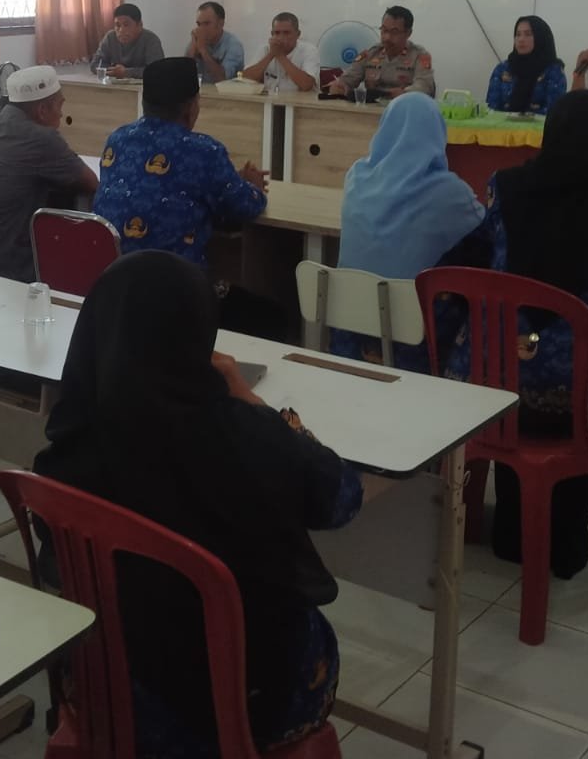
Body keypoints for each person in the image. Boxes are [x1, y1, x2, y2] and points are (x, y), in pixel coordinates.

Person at [33, 252, 361, 756]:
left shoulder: (73, 438)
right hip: (248, 697)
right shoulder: (249, 436)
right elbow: (342, 499)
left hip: (104, 685)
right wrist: (252, 401)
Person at [461, 90, 588, 578]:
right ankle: (565, 544)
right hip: (581, 397)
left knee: (522, 378)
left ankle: (512, 536)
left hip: (494, 385)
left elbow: (487, 247)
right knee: (584, 378)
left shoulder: (506, 185)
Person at [332, 94, 487, 369]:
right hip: (414, 338)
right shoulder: (450, 193)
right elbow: (482, 228)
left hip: (349, 326)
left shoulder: (356, 175)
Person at [94, 57, 268, 266]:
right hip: (174, 280)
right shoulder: (204, 150)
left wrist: (232, 178)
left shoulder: (117, 139)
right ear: (191, 107)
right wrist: (254, 187)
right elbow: (243, 207)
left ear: (145, 103)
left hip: (112, 277)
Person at [0, 66, 97, 281]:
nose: (62, 114)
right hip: (6, 268)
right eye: (60, 106)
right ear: (42, 110)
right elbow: (92, 184)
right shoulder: (41, 139)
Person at [324, 7, 434, 100]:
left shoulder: (419, 56)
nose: (387, 37)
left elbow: (424, 87)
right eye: (384, 30)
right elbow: (349, 78)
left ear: (408, 33)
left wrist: (403, 93)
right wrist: (340, 85)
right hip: (369, 113)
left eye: (394, 32)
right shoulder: (371, 54)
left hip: (403, 110)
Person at [486, 16, 567, 115]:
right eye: (518, 34)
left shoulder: (553, 70)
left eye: (528, 34)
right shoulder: (503, 68)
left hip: (540, 125)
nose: (521, 39)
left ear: (541, 37)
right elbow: (491, 108)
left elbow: (554, 112)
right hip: (501, 124)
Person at [242, 13, 320, 95]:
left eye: (286, 33)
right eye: (277, 33)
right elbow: (245, 79)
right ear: (272, 34)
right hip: (270, 101)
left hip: (301, 102)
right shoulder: (265, 49)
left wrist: (280, 56)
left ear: (298, 34)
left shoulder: (309, 50)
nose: (281, 37)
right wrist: (271, 55)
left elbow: (306, 85)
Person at [91, 3, 165, 79]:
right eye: (118, 25)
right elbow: (95, 64)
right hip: (116, 83)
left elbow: (157, 71)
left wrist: (126, 72)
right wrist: (114, 71)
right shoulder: (110, 37)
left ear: (140, 25)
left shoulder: (151, 40)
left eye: (126, 25)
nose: (121, 30)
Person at [184, 1, 244, 84]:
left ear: (221, 24)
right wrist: (192, 51)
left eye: (206, 23)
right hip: (201, 91)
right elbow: (183, 76)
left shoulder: (233, 46)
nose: (201, 29)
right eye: (199, 24)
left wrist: (203, 51)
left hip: (224, 92)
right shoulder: (196, 41)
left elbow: (223, 79)